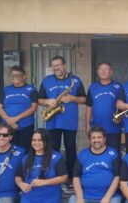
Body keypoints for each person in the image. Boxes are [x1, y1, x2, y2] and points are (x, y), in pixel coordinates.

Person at [38, 55, 86, 187]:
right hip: (52, 120)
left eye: (58, 65)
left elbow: (84, 99)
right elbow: (39, 100)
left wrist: (72, 99)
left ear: (65, 65)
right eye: (53, 66)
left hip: (70, 121)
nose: (56, 68)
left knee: (71, 149)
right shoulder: (46, 81)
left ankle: (71, 177)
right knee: (53, 149)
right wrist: (48, 101)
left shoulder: (75, 80)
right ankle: (55, 176)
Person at [69, 126, 121, 203]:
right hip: (86, 196)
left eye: (99, 137)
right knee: (72, 200)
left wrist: (107, 197)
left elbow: (117, 177)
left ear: (104, 139)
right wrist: (80, 198)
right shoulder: (82, 155)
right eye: (93, 138)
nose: (96, 140)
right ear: (90, 140)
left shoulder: (113, 154)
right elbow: (76, 177)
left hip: (110, 196)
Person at [15, 128, 68, 203]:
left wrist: (44, 182)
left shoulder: (56, 157)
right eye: (34, 140)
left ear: (46, 141)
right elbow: (18, 176)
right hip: (28, 197)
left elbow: (64, 177)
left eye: (40, 140)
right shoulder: (25, 158)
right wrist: (21, 184)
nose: (36, 143)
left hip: (50, 197)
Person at [0, 66, 38, 152]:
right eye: (12, 75)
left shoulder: (31, 89)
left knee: (25, 150)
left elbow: (34, 107)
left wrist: (16, 119)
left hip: (26, 126)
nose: (14, 77)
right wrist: (9, 121)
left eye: (18, 75)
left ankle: (24, 166)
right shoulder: (6, 90)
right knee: (8, 150)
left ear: (24, 76)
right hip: (7, 126)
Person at [85, 62, 122, 152]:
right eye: (101, 69)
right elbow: (89, 107)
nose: (103, 71)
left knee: (114, 154)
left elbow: (122, 107)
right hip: (96, 130)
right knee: (97, 153)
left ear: (111, 72)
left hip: (114, 129)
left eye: (106, 69)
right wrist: (87, 125)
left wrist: (120, 118)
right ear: (97, 72)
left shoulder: (118, 87)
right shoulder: (92, 87)